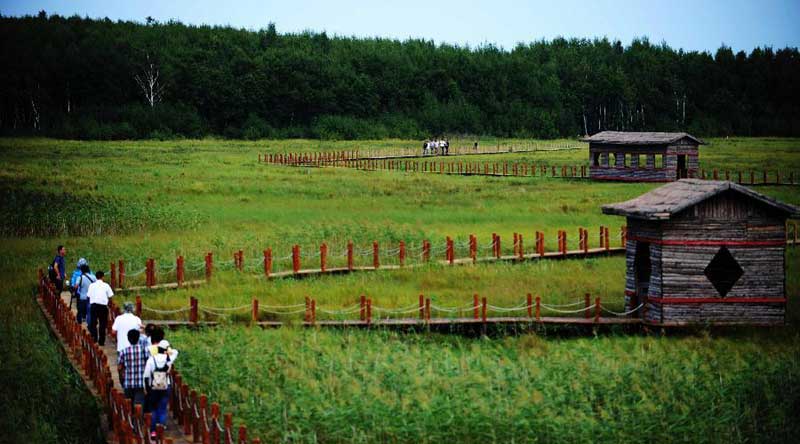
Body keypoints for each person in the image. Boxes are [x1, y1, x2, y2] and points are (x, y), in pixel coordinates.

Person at [143, 339, 179, 436]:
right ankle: (161, 429)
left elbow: (146, 376)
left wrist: (146, 389)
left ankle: (153, 431)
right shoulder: (169, 359)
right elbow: (176, 352)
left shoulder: (151, 359)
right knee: (162, 409)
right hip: (165, 386)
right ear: (167, 349)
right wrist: (168, 350)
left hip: (153, 388)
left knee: (153, 409)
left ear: (158, 348)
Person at [118, 329, 149, 407]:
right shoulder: (144, 350)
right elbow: (148, 364)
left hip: (128, 382)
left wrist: (122, 380)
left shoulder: (123, 351)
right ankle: (138, 418)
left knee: (128, 406)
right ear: (138, 338)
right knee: (139, 405)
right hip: (141, 383)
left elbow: (120, 367)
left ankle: (130, 419)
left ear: (128, 339)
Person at [87, 270, 113, 346]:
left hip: (94, 306)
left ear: (96, 277)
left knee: (93, 323)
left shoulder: (91, 285)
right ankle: (101, 341)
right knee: (102, 324)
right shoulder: (106, 285)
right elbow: (110, 296)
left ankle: (94, 339)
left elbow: (88, 296)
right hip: (103, 307)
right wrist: (109, 303)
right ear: (102, 277)